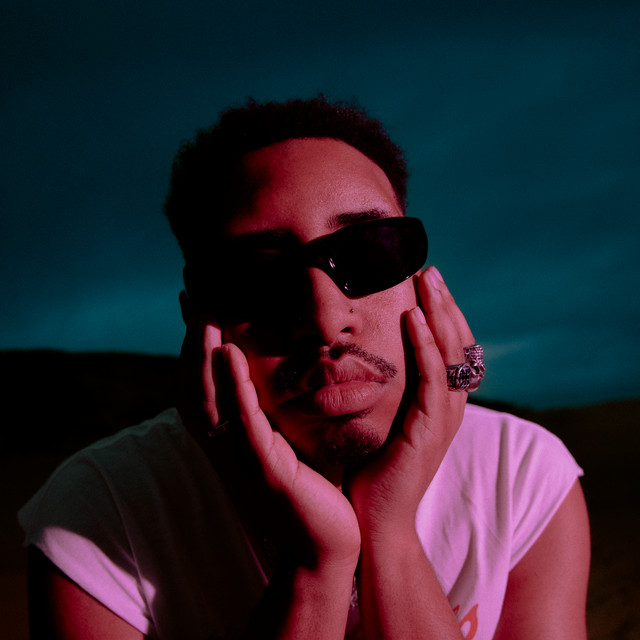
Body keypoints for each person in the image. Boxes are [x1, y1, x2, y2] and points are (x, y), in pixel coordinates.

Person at [19, 97, 590, 639]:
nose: (325, 319)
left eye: (368, 252)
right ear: (198, 322)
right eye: (256, 275)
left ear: (420, 282)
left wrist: (388, 532)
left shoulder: (521, 473)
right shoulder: (100, 510)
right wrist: (316, 567)